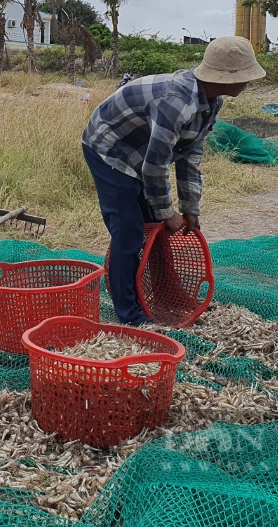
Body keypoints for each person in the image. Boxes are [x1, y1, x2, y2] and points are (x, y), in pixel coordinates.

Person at [82, 36, 266, 325]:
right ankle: (129, 314)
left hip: (142, 152)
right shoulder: (176, 102)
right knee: (129, 232)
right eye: (245, 77)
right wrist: (168, 211)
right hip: (109, 147)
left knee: (154, 226)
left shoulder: (211, 102)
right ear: (226, 78)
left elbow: (190, 156)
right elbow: (155, 166)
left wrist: (191, 209)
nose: (248, 82)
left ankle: (167, 296)